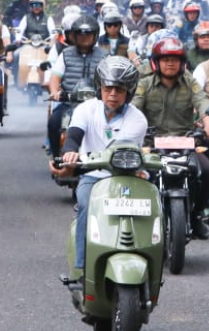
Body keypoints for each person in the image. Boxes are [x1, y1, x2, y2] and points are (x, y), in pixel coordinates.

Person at [53, 56, 148, 279]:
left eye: (119, 89)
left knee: (149, 209)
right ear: (99, 88)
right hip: (93, 177)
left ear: (129, 92)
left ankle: (149, 256)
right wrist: (70, 153)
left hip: (127, 178)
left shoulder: (138, 120)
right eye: (108, 88)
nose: (113, 94)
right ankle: (82, 267)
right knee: (87, 205)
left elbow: (116, 150)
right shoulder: (86, 109)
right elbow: (74, 135)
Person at [133, 36, 209, 239]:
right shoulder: (144, 84)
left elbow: (203, 101)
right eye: (165, 59)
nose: (170, 63)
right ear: (156, 61)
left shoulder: (189, 81)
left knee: (208, 172)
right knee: (138, 178)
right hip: (151, 145)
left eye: (175, 59)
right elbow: (134, 107)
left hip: (185, 144)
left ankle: (196, 214)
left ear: (182, 63)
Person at [46, 14, 108, 158]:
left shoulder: (105, 56)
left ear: (95, 35)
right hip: (69, 102)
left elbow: (110, 79)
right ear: (74, 35)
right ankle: (57, 158)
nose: (84, 37)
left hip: (96, 104)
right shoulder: (65, 54)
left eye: (88, 34)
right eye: (80, 34)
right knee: (54, 123)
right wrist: (55, 92)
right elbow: (55, 77)